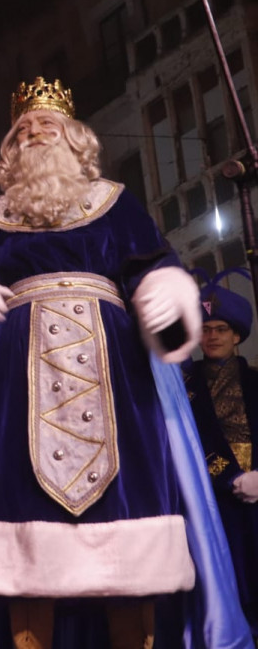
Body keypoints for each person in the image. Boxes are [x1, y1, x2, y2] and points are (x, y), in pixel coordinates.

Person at [0, 77, 249, 649]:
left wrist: (166, 288)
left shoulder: (114, 203)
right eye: (24, 128)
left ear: (76, 138)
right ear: (10, 150)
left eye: (48, 124)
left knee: (129, 545)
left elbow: (150, 265)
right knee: (25, 543)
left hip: (116, 379)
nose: (36, 132)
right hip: (21, 386)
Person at [183, 269, 258, 638]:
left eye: (221, 329)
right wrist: (231, 476)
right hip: (212, 497)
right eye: (206, 329)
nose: (212, 337)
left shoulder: (256, 382)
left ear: (237, 335)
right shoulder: (183, 387)